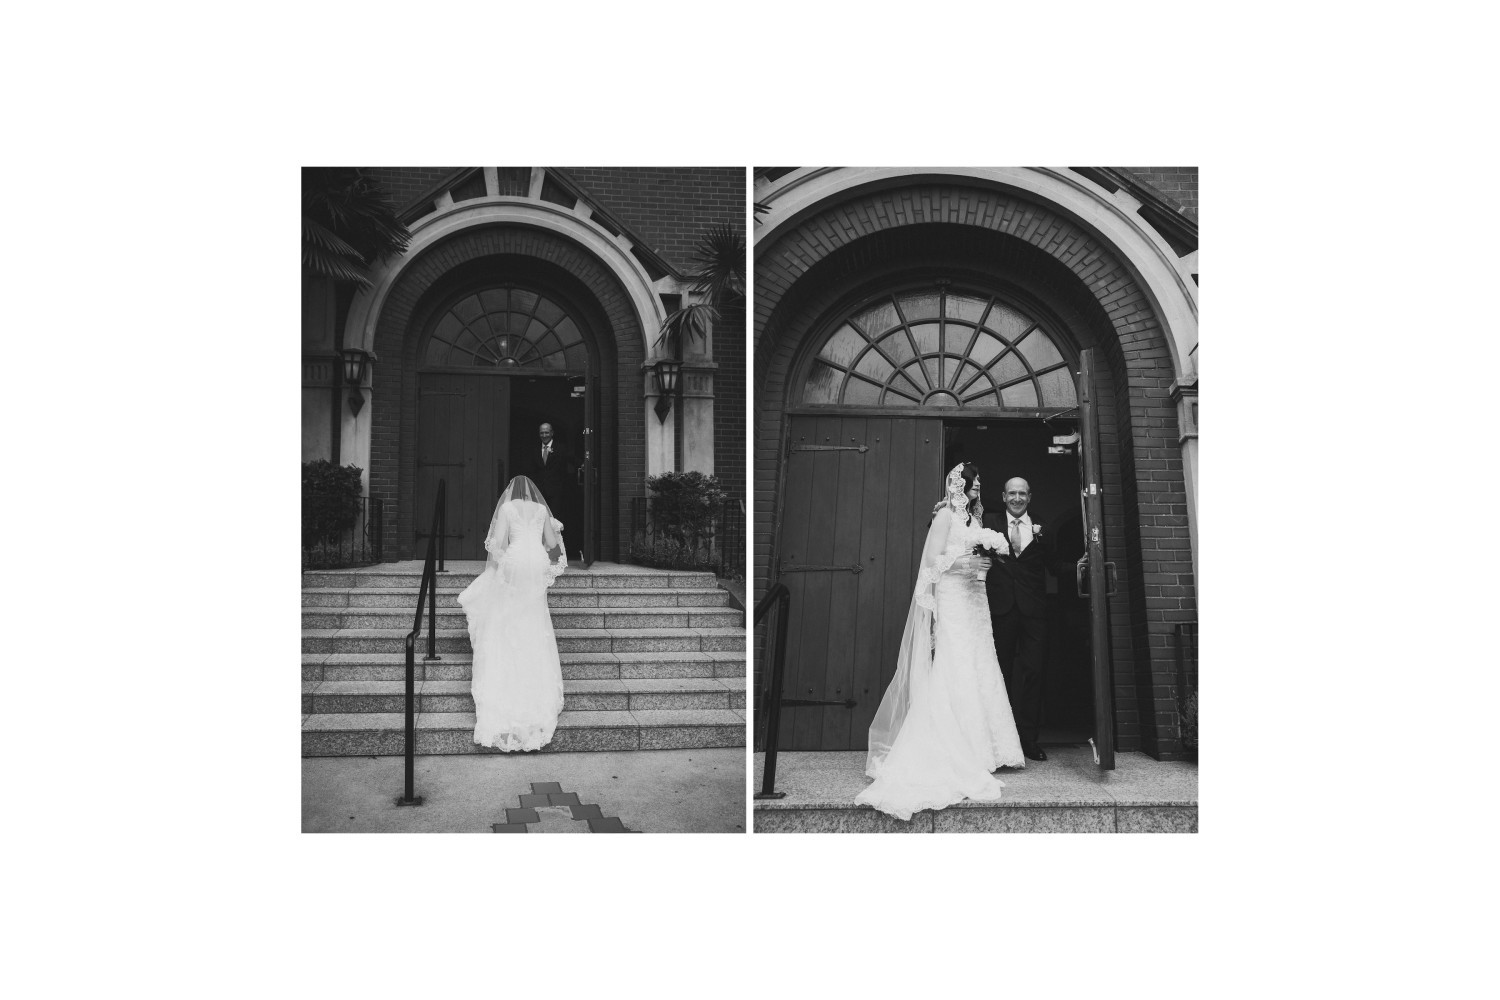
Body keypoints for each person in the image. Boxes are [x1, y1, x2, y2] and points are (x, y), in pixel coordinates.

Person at [855, 463, 1026, 821]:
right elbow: (931, 562)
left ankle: (987, 749)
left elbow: (978, 554)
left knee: (981, 663)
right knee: (957, 663)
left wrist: (985, 560)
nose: (978, 487)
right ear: (959, 484)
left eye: (979, 484)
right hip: (952, 597)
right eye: (974, 482)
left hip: (975, 599)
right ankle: (959, 747)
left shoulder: (972, 520)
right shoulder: (946, 515)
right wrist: (965, 562)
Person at [456, 476, 569, 751]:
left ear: (512, 494)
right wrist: (555, 530)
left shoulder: (507, 509)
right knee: (535, 614)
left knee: (511, 612)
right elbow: (552, 543)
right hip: (536, 562)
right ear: (532, 495)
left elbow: (497, 544)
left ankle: (510, 667)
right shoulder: (541, 510)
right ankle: (537, 683)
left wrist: (503, 565)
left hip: (517, 559)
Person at [983, 477, 1053, 762]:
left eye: (1022, 493)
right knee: (1001, 673)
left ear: (1030, 496)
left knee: (1032, 673)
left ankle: (1028, 740)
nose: (1017, 498)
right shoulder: (987, 522)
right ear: (1003, 496)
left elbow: (1052, 562)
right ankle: (1000, 740)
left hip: (1034, 612)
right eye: (1012, 493)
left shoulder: (1043, 526)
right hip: (1000, 609)